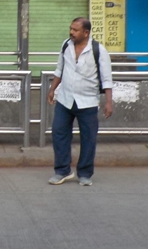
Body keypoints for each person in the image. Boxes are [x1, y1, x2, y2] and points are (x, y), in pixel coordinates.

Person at [46, 17, 113, 187]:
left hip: (88, 101)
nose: (71, 32)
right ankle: (62, 170)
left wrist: (108, 102)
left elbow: (106, 78)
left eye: (75, 30)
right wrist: (52, 89)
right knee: (59, 133)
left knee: (88, 138)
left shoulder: (98, 50)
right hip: (65, 99)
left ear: (86, 32)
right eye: (71, 29)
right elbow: (59, 69)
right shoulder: (66, 45)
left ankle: (85, 173)